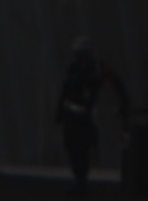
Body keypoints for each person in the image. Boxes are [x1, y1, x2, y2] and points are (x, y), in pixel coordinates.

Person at [52, 43, 129, 192]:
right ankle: (79, 177)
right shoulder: (74, 69)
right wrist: (59, 112)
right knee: (73, 146)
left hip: (84, 114)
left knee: (83, 145)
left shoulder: (98, 68)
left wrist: (124, 102)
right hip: (72, 112)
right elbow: (65, 90)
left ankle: (82, 177)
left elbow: (116, 83)